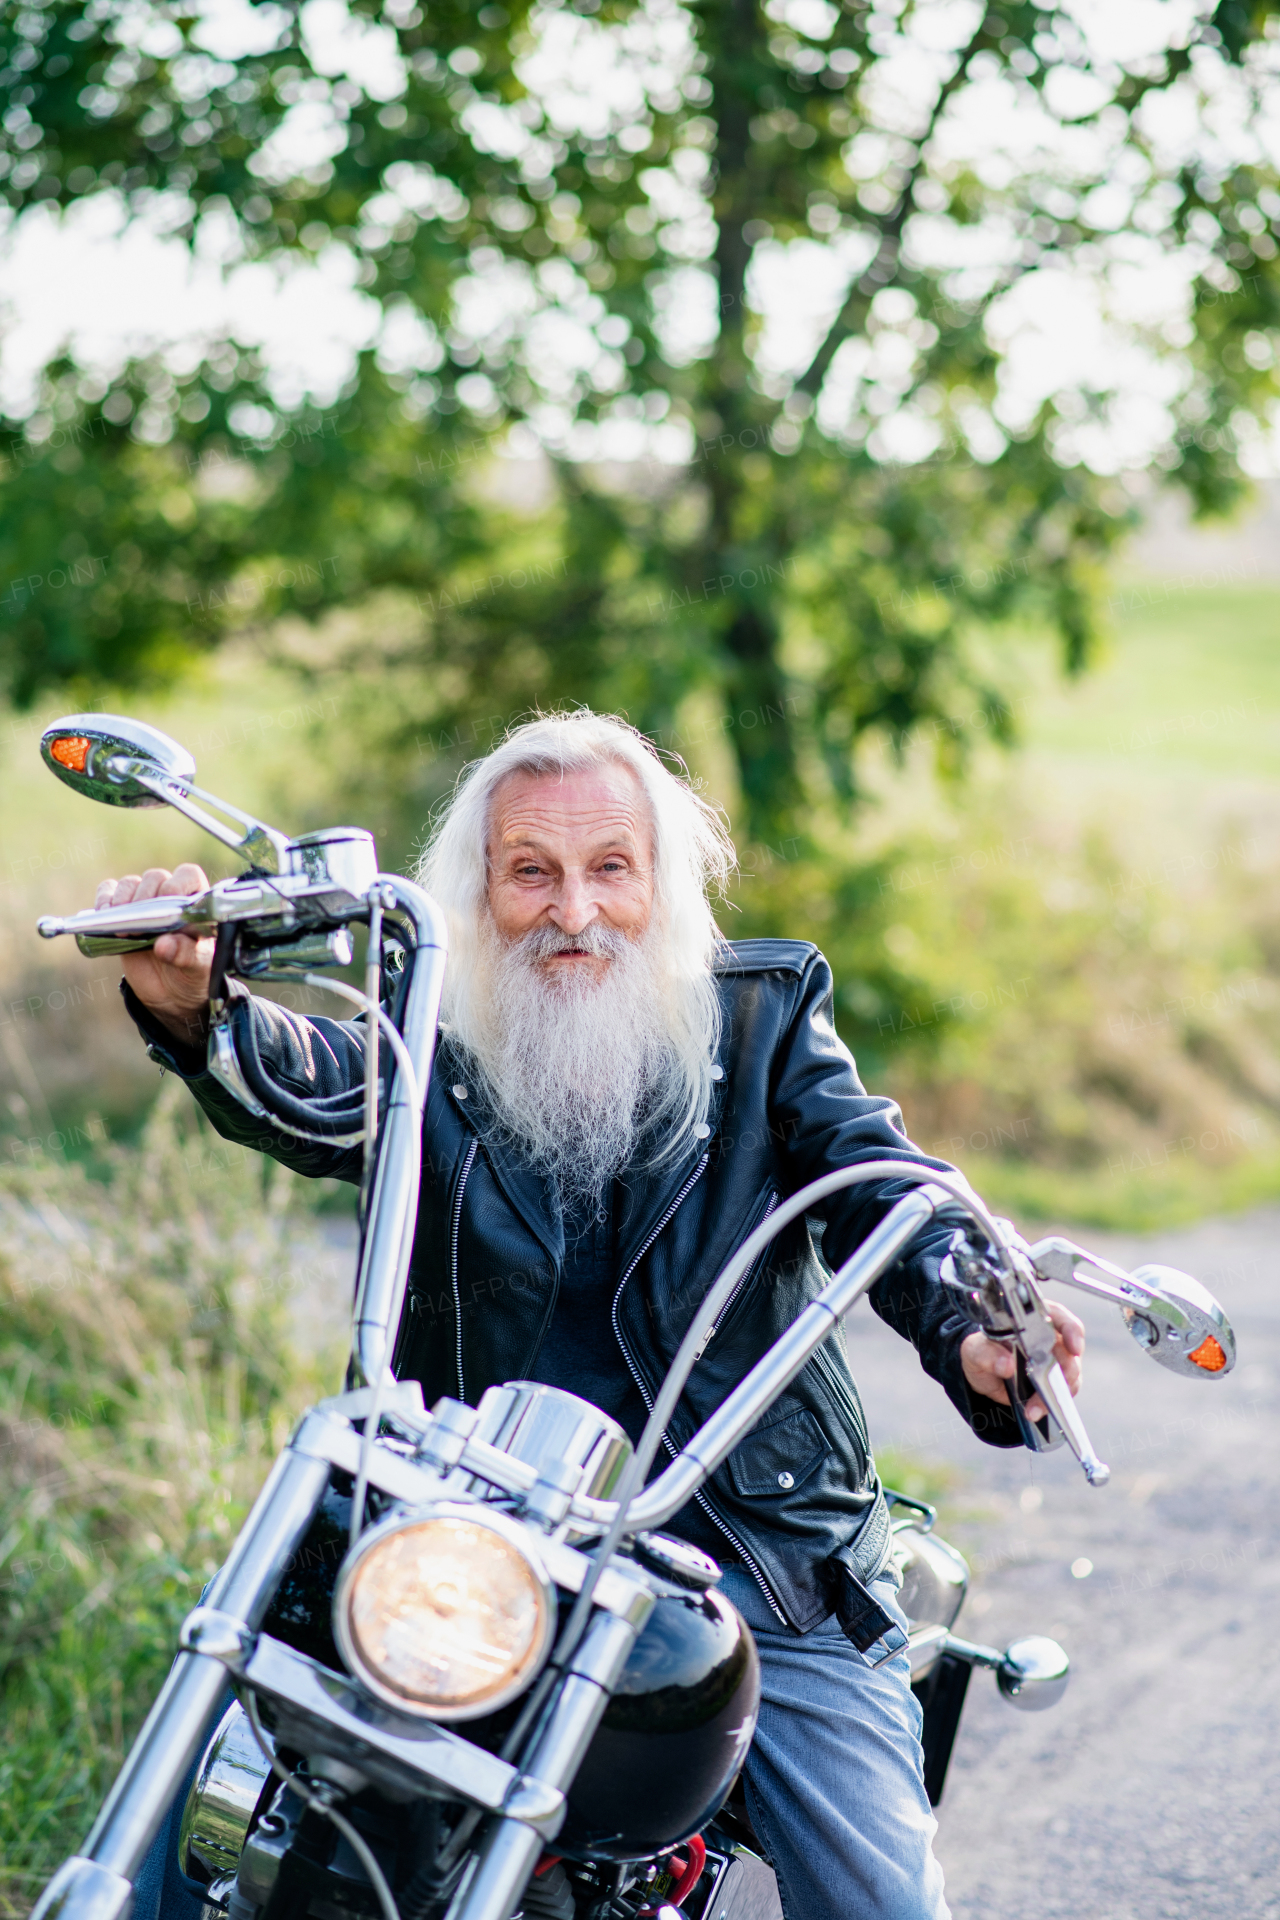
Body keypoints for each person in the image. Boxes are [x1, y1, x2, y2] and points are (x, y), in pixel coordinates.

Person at [102, 711, 1084, 1920]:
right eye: (531, 871)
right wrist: (200, 1008)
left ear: (659, 885)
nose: (573, 909)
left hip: (752, 1556)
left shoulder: (759, 1024)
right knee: (216, 1778)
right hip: (477, 1541)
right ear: (479, 891)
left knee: (880, 1899)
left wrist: (976, 1318)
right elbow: (306, 1086)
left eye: (609, 867)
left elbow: (885, 1187)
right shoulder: (436, 1031)